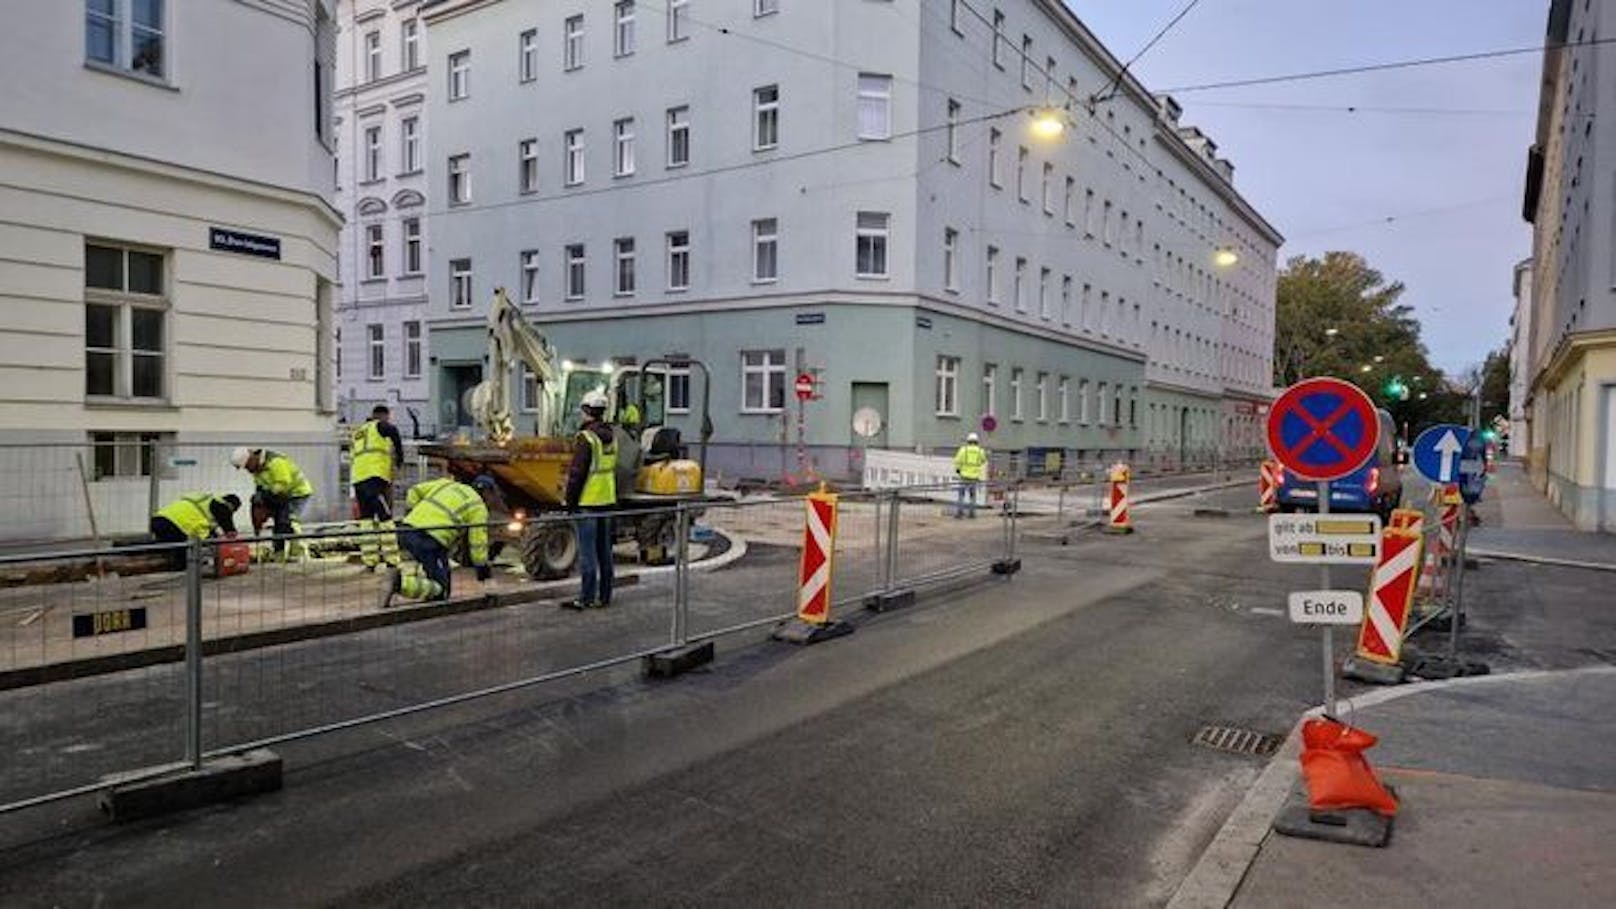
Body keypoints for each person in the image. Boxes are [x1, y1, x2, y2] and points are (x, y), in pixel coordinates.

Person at [379, 474, 497, 608]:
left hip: (406, 530)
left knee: (437, 572)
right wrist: (483, 572)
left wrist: (411, 513)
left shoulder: (446, 484)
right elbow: (477, 543)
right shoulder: (477, 506)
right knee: (442, 591)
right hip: (429, 541)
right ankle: (399, 583)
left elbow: (414, 491)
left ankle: (409, 584)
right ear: (487, 492)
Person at [562, 390, 617, 610]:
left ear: (586, 411)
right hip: (607, 501)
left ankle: (585, 598)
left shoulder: (586, 438)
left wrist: (569, 501)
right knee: (605, 552)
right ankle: (604, 597)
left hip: (587, 502)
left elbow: (577, 474)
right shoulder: (612, 437)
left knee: (587, 554)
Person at [230, 447, 314, 560]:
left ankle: (299, 554)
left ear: (252, 459)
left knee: (291, 521)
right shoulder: (258, 468)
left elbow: (284, 484)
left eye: (247, 466)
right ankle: (279, 555)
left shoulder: (275, 462)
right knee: (279, 524)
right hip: (281, 496)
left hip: (297, 493)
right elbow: (260, 486)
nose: (248, 470)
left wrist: (266, 496)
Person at [350, 404, 405, 571]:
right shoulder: (379, 425)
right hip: (374, 478)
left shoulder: (358, 432)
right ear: (383, 416)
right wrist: (400, 456)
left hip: (359, 479)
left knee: (366, 521)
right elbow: (393, 431)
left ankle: (370, 561)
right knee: (385, 517)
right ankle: (392, 560)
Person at [150, 493, 241, 570]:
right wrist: (232, 535)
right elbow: (229, 529)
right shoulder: (222, 507)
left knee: (163, 547)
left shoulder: (206, 500)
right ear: (231, 506)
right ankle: (179, 567)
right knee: (183, 553)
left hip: (159, 518)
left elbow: (210, 530)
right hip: (174, 524)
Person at [953, 432, 989, 519]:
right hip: (974, 477)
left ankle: (960, 513)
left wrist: (958, 469)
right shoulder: (980, 451)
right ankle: (972, 513)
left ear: (968, 441)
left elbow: (957, 460)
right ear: (977, 441)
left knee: (961, 495)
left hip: (964, 476)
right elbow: (984, 460)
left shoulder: (963, 450)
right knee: (972, 496)